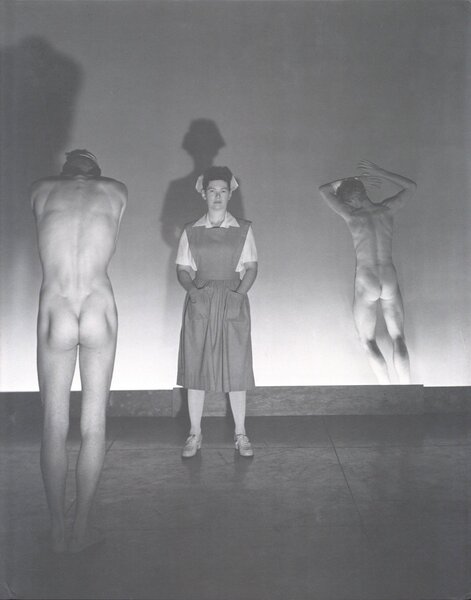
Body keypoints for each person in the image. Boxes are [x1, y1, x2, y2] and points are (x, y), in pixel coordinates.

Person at [31, 149, 127, 552]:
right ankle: (82, 528)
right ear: (96, 170)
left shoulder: (41, 190)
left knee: (53, 425)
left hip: (56, 306)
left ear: (66, 169)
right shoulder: (115, 192)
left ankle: (57, 530)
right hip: (98, 306)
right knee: (94, 425)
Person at [176, 166, 258, 458]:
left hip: (233, 300)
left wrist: (238, 295)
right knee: (196, 367)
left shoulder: (243, 229)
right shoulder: (191, 230)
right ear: (204, 193)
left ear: (230, 193)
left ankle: (241, 433)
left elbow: (251, 268)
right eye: (212, 191)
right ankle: (194, 433)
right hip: (201, 300)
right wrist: (193, 291)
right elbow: (183, 269)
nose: (218, 196)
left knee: (236, 368)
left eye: (223, 191)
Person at [319, 160, 417, 384]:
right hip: (388, 274)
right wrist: (379, 172)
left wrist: (353, 179)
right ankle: (407, 391)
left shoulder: (352, 215)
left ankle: (386, 391)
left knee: (367, 340)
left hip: (367, 277)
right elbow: (412, 187)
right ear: (363, 193)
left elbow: (323, 190)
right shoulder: (387, 210)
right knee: (399, 337)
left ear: (349, 200)